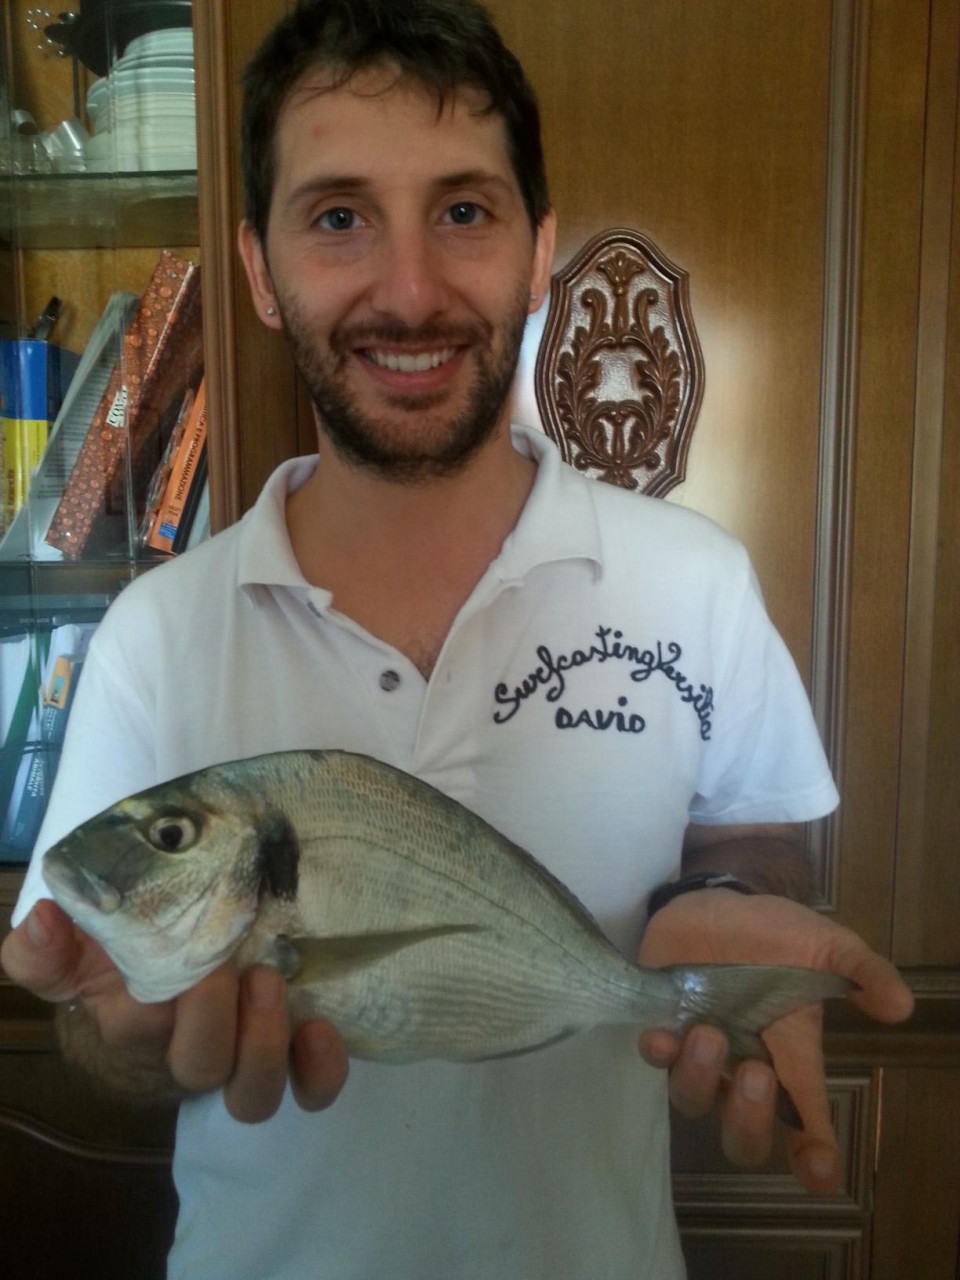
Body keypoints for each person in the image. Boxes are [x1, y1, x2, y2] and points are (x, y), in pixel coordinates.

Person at [1, 1, 913, 1277]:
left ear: (539, 251)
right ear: (258, 267)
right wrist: (127, 1033)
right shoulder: (155, 631)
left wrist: (725, 898)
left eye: (465, 211)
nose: (411, 290)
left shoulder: (695, 580)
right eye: (338, 217)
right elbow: (91, 1013)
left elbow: (751, 833)